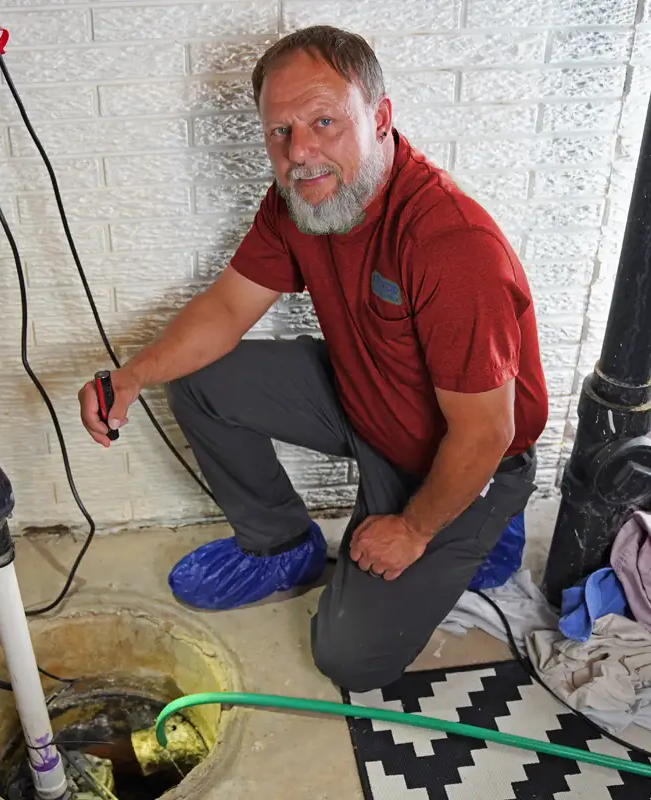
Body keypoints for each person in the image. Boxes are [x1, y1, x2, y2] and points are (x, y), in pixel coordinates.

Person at [78, 25, 548, 693]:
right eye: (281, 132)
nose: (301, 152)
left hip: (461, 456)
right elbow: (225, 309)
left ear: (380, 118)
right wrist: (128, 378)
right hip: (367, 396)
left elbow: (485, 431)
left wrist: (413, 528)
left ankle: (487, 527)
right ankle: (283, 546)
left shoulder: (449, 244)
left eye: (324, 121)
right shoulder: (302, 202)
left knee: (348, 659)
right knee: (198, 378)